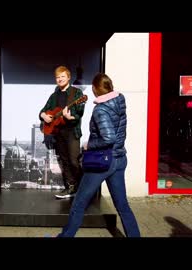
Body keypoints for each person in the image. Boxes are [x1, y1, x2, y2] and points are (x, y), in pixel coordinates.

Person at [57, 73, 140, 237]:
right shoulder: (119, 102)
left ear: (95, 89)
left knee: (79, 203)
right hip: (119, 159)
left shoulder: (100, 110)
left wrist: (88, 145)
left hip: (102, 162)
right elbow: (117, 133)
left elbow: (109, 137)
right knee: (122, 205)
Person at [39, 65, 85, 199]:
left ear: (68, 77)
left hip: (72, 132)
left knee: (74, 160)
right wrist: (43, 115)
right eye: (57, 77)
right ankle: (69, 188)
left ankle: (81, 188)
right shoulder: (54, 95)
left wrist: (71, 117)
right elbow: (43, 110)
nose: (59, 79)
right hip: (58, 132)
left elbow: (79, 112)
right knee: (64, 161)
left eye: (62, 76)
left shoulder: (77, 94)